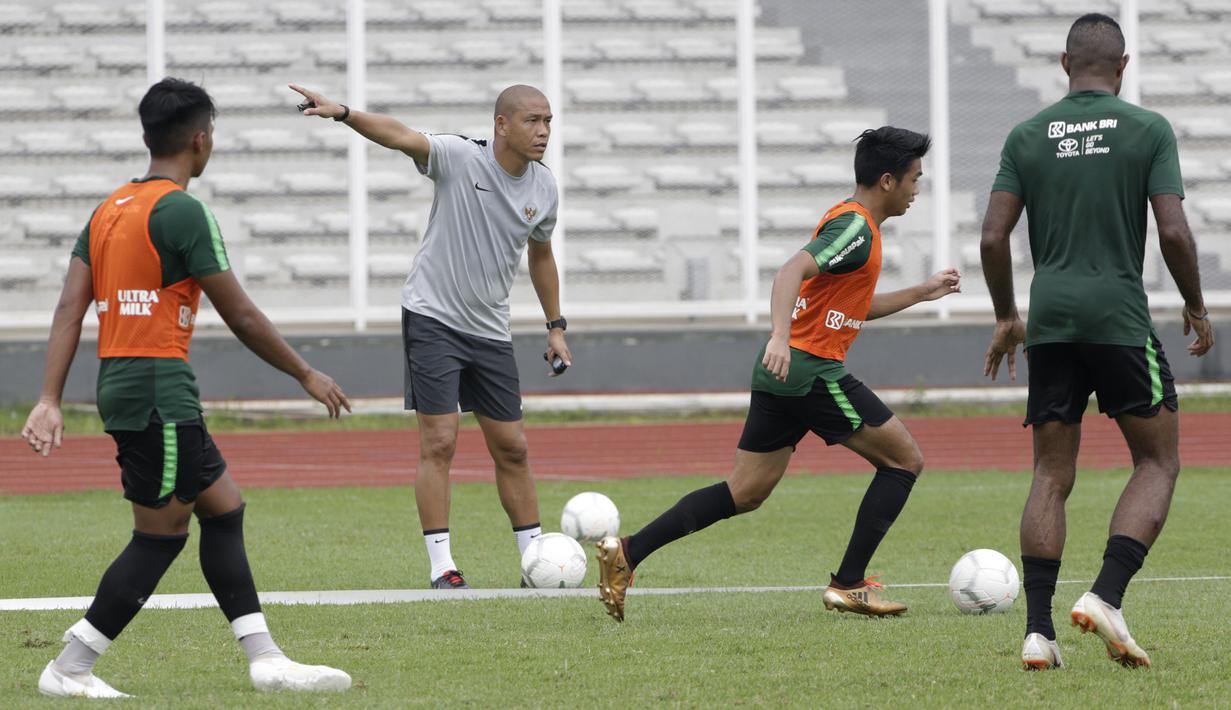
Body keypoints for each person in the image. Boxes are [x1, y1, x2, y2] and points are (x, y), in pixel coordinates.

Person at [20, 78, 354, 698]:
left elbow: (69, 308)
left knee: (223, 509)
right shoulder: (182, 210)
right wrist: (305, 373)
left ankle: (265, 658)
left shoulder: (108, 207)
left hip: (125, 381)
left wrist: (48, 398)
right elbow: (242, 313)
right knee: (162, 533)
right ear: (201, 141)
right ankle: (69, 666)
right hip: (156, 389)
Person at [595, 127, 962, 622]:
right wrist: (778, 336)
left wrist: (921, 292)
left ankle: (628, 552)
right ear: (888, 180)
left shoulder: (849, 222)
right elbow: (790, 271)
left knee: (744, 492)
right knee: (904, 461)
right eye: (916, 178)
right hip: (809, 370)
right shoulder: (855, 228)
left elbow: (852, 307)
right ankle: (849, 583)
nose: (920, 188)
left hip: (783, 375)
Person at [981, 13, 1215, 671]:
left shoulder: (1027, 136)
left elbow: (992, 238)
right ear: (1122, 65)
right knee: (1156, 462)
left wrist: (1006, 316)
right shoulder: (1146, 130)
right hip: (1116, 318)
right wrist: (1195, 305)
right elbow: (1172, 233)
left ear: (1063, 64)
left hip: (1050, 321)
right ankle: (1106, 596)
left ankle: (1037, 632)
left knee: (1050, 474)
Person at [290, 83, 569, 589]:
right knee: (440, 441)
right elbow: (400, 136)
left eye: (548, 121)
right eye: (532, 120)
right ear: (501, 124)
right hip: (433, 318)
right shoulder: (462, 158)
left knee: (513, 447)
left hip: (490, 329)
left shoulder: (544, 187)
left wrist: (556, 326)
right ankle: (442, 567)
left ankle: (536, 567)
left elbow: (541, 254)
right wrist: (344, 113)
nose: (544, 131)